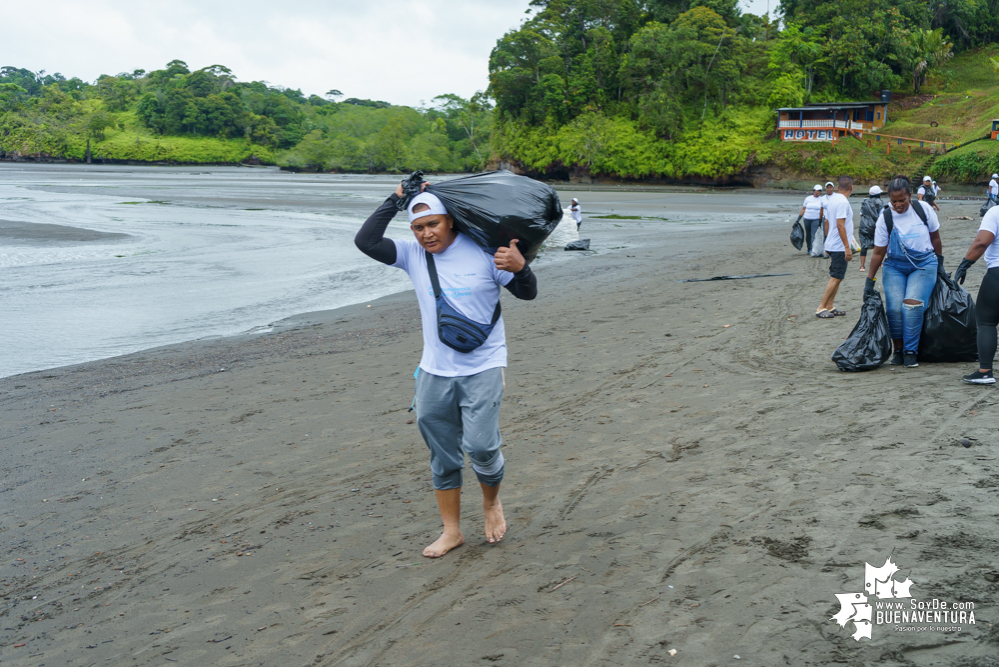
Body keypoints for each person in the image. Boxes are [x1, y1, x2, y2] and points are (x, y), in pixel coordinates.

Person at [354, 181, 538, 557]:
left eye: (433, 224)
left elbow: (527, 292)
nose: (426, 234)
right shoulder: (412, 255)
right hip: (434, 371)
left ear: (451, 221)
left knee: (482, 447)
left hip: (484, 366)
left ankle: (490, 503)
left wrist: (521, 270)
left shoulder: (486, 252)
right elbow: (366, 241)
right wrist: (396, 199)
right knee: (443, 455)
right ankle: (451, 531)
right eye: (418, 228)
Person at [864, 176, 943, 368]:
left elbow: (936, 239)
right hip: (895, 265)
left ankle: (910, 351)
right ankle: (898, 350)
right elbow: (878, 252)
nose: (898, 205)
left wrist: (940, 265)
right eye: (894, 201)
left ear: (910, 196)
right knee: (894, 308)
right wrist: (869, 280)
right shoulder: (886, 217)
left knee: (912, 305)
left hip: (924, 263)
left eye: (902, 200)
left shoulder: (923, 210)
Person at [953, 204, 999, 384]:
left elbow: (982, 241)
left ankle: (985, 371)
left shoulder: (995, 212)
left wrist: (965, 264)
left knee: (986, 321)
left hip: (997, 273)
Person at [816, 176, 855, 318]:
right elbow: (840, 225)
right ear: (851, 188)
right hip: (839, 246)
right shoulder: (843, 202)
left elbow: (827, 222)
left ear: (838, 187)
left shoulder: (832, 200)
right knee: (835, 277)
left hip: (833, 243)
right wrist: (847, 247)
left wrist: (827, 242)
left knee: (838, 276)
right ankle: (821, 307)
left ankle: (829, 306)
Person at [858, 185, 884, 272]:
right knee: (878, 245)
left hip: (864, 226)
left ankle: (862, 266)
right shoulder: (880, 202)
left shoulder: (864, 202)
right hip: (875, 226)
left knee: (864, 245)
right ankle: (879, 263)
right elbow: (881, 215)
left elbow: (861, 214)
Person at [798, 185, 826, 254]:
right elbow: (803, 209)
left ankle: (814, 249)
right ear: (814, 191)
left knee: (814, 234)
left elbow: (823, 210)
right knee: (808, 234)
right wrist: (798, 219)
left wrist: (821, 220)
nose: (818, 192)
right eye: (817, 190)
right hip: (807, 218)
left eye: (819, 191)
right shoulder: (808, 198)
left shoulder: (822, 199)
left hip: (816, 219)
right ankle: (809, 248)